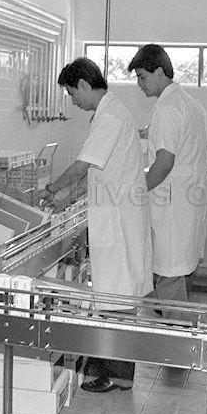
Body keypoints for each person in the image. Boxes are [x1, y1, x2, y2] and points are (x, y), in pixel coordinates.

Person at [36, 57, 152, 393]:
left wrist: (53, 188)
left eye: (73, 93)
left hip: (119, 220)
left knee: (118, 299)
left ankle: (116, 375)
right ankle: (113, 369)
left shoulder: (110, 116)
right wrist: (67, 199)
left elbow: (82, 165)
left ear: (85, 84)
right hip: (114, 215)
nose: (73, 101)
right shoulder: (109, 113)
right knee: (115, 296)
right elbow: (97, 173)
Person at [127, 44, 207, 319]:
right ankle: (182, 353)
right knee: (181, 285)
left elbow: (164, 163)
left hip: (174, 214)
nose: (140, 84)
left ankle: (178, 356)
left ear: (160, 71)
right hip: (189, 209)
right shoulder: (191, 104)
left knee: (170, 284)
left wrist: (134, 193)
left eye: (142, 76)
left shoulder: (166, 108)